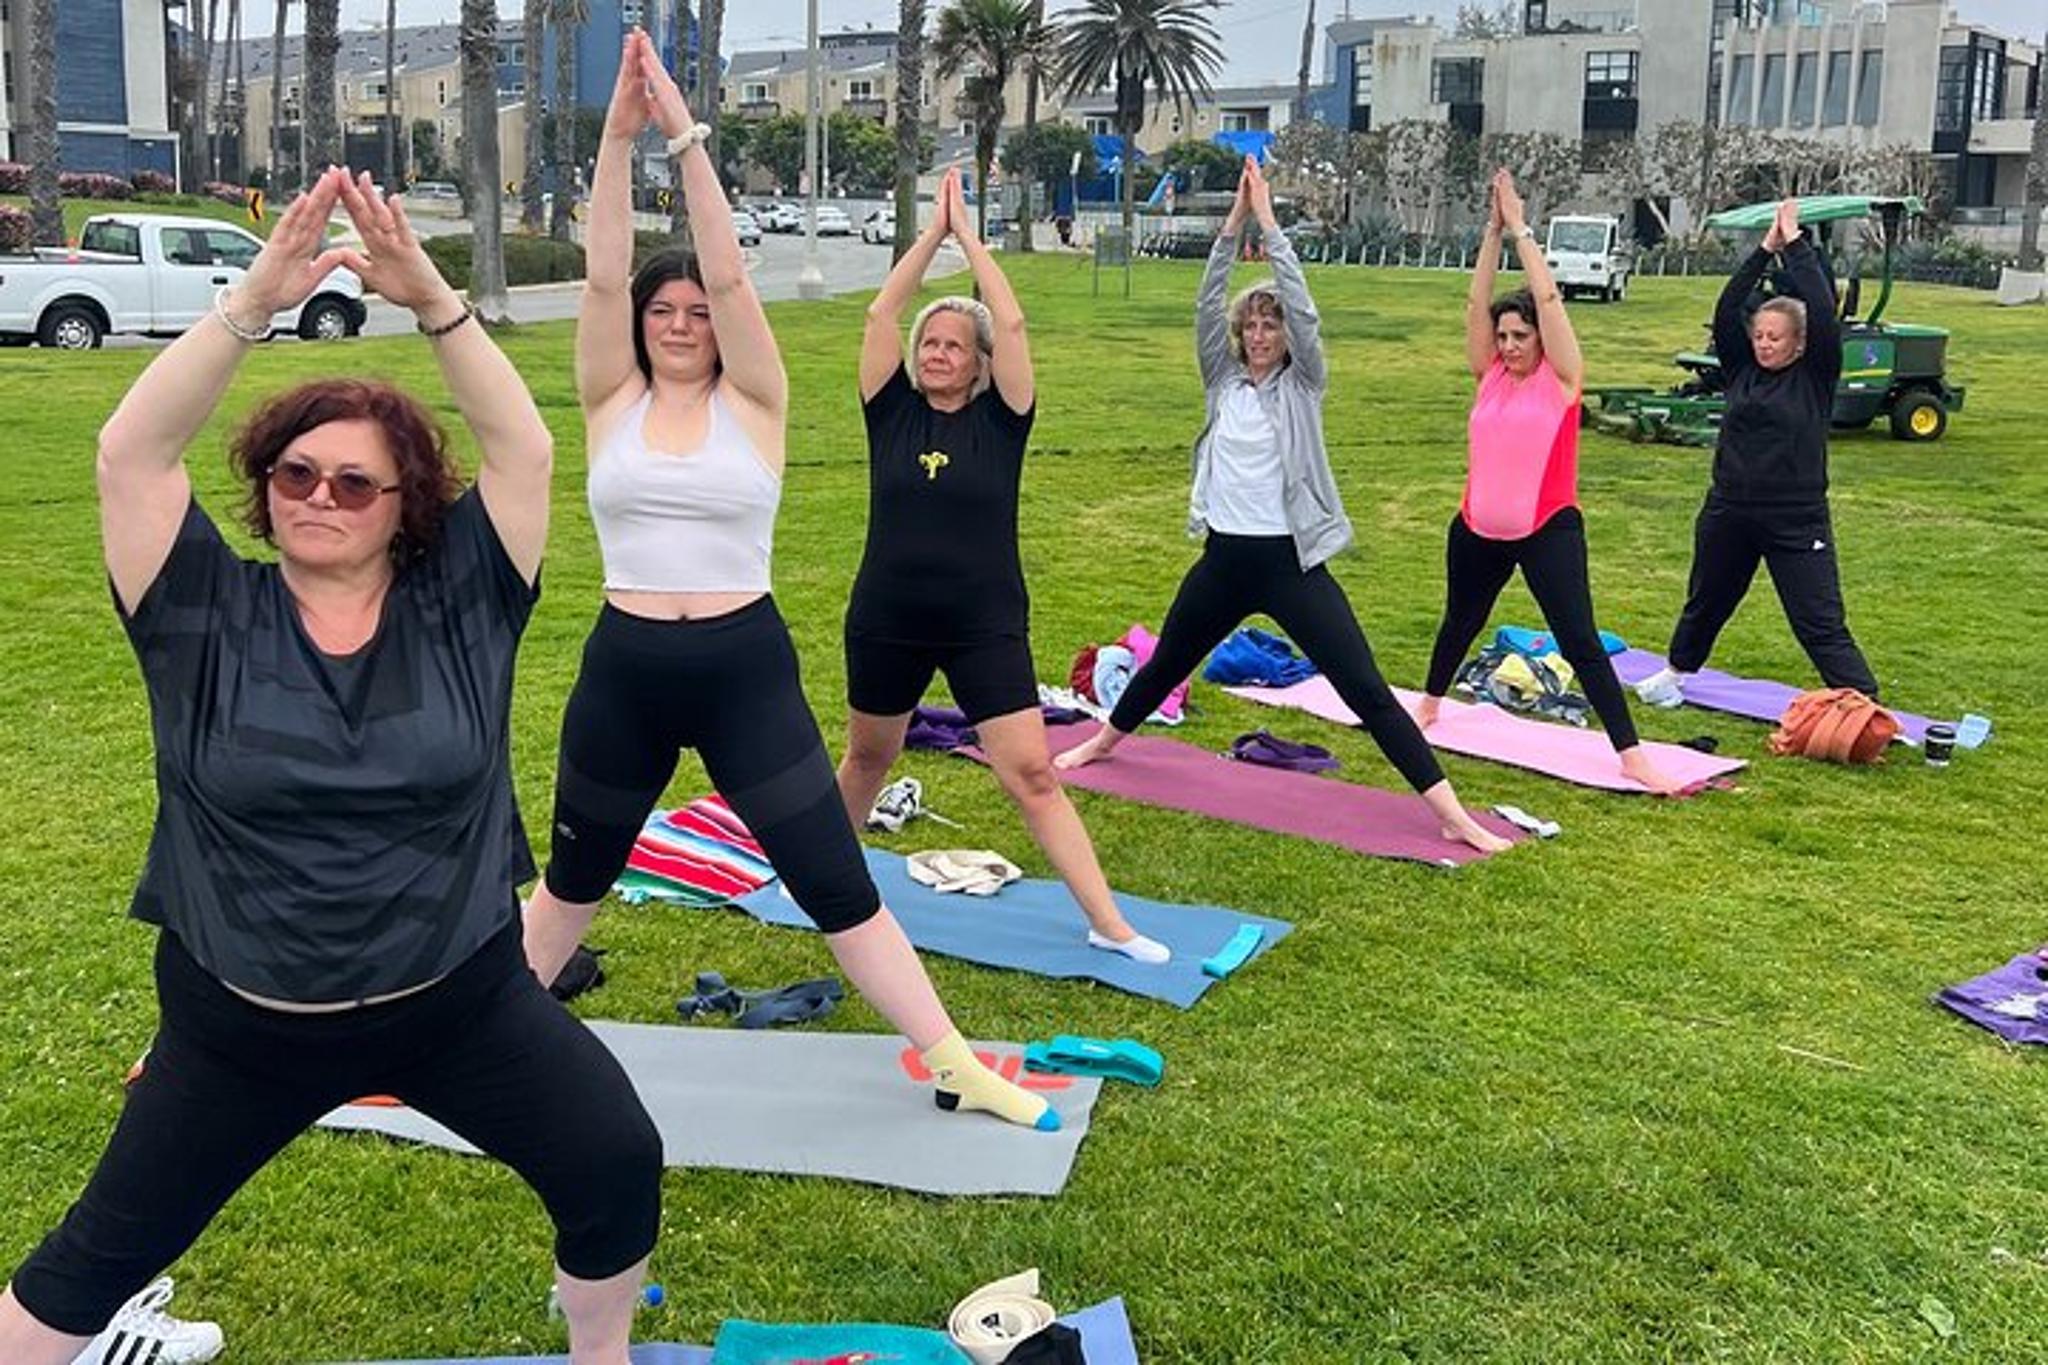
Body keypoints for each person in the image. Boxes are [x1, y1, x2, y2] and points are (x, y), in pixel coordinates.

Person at [0, 167, 661, 1365]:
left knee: (614, 1159)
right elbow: (129, 453)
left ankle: (600, 1355)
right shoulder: (197, 605)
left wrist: (436, 303)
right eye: (294, 474)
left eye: (355, 480)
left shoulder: (463, 602)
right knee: (85, 1266)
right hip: (241, 1025)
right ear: (264, 489)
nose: (320, 495)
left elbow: (523, 452)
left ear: (405, 506)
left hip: (457, 1002)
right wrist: (251, 299)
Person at [519, 33, 1057, 1132]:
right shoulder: (608, 399)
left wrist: (682, 137)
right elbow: (607, 268)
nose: (680, 323)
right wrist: (616, 145)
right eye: (662, 315)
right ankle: (448, 1047)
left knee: (832, 880)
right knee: (570, 885)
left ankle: (951, 1057)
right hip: (624, 668)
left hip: (739, 668)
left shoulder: (753, 403)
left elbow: (722, 265)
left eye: (697, 315)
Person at [1056, 157, 1510, 855]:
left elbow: (1305, 305)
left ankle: (1449, 809)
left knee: (1363, 685)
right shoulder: (1222, 381)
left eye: (1272, 324)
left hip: (1289, 563)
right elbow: (1208, 303)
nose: (1263, 333)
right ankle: (1104, 742)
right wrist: (1231, 227)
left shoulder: (1304, 385)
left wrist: (1269, 225)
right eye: (1255, 325)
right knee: (1166, 660)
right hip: (1223, 559)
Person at [835, 165, 1170, 965]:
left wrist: (975, 245)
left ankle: (1108, 921)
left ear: (980, 362)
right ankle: (821, 886)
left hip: (983, 622)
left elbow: (1013, 325)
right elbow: (884, 311)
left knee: (1033, 775)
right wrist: (932, 237)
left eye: (954, 344)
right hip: (887, 618)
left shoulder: (1003, 421)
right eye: (931, 343)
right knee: (867, 758)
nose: (938, 352)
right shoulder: (891, 413)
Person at [1417, 169, 1680, 794]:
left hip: (1547, 529)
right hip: (1477, 527)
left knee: (1579, 639)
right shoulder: (1489, 374)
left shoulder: (1560, 381)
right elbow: (1475, 306)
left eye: (1519, 336)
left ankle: (1630, 751)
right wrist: (1489, 232)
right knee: (1461, 620)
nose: (1507, 346)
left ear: (1540, 338)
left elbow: (1552, 303)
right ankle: (1428, 704)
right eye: (1503, 337)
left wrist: (1522, 231)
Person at [1633, 198, 1880, 707]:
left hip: (1796, 518)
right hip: (1730, 509)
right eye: (1760, 336)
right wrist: (1763, 250)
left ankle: (1864, 703)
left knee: (1818, 620)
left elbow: (1821, 306)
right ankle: (1676, 674)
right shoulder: (1742, 369)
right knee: (1707, 601)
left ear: (1798, 344)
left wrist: (1795, 246)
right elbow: (1727, 310)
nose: (1765, 344)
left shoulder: (1815, 375)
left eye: (1776, 338)